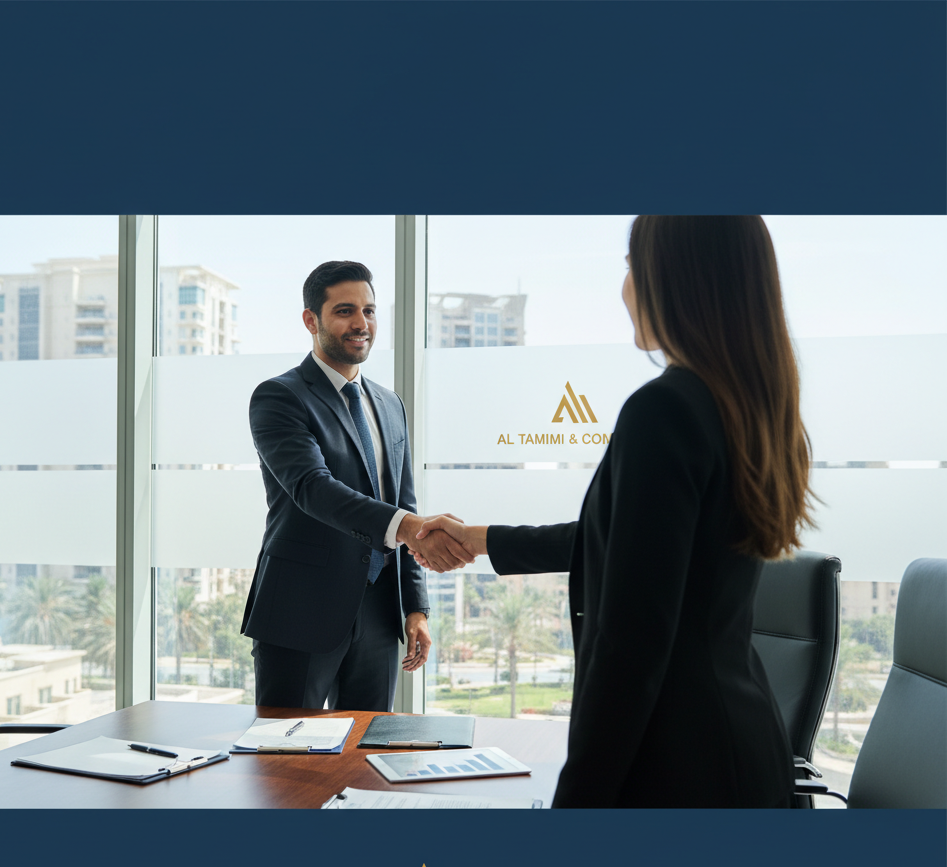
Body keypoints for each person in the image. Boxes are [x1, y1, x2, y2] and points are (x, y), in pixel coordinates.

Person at [415, 217, 814, 807]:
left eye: (631, 265)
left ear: (675, 277)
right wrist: (479, 539)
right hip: (742, 750)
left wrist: (575, 805)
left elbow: (630, 650)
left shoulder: (664, 409)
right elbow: (638, 542)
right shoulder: (745, 407)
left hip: (678, 766)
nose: (623, 287)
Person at [240, 260, 471, 711]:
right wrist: (409, 527)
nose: (361, 323)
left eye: (369, 310)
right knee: (287, 763)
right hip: (301, 610)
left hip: (381, 615)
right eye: (345, 311)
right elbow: (312, 488)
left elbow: (403, 502)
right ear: (311, 320)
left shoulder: (389, 404)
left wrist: (416, 609)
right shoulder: (279, 397)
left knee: (369, 758)